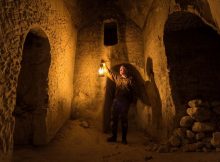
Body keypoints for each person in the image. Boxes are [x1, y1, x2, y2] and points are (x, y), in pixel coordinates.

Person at [102, 62, 135, 144]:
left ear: (126, 70)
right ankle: (114, 137)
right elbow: (110, 74)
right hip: (116, 101)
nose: (121, 70)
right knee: (114, 119)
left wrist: (131, 101)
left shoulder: (130, 79)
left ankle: (124, 139)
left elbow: (133, 91)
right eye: (120, 69)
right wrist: (104, 66)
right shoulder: (118, 78)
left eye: (123, 69)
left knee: (124, 120)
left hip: (125, 102)